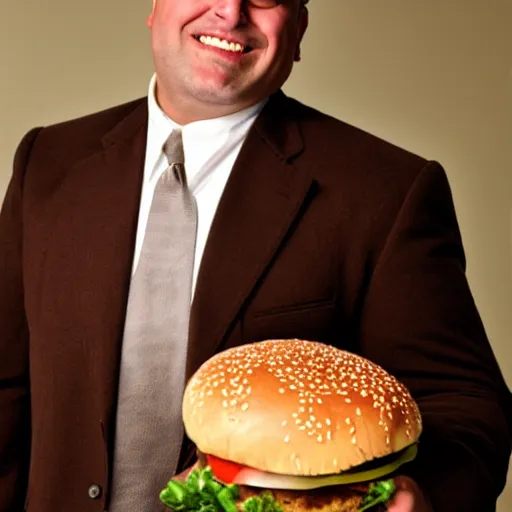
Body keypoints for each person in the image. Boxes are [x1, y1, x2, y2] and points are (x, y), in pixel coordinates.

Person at [0, 0, 510, 511]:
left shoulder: (388, 192)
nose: (229, 10)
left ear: (299, 27)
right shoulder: (48, 162)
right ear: (155, 6)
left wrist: (420, 494)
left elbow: (464, 406)